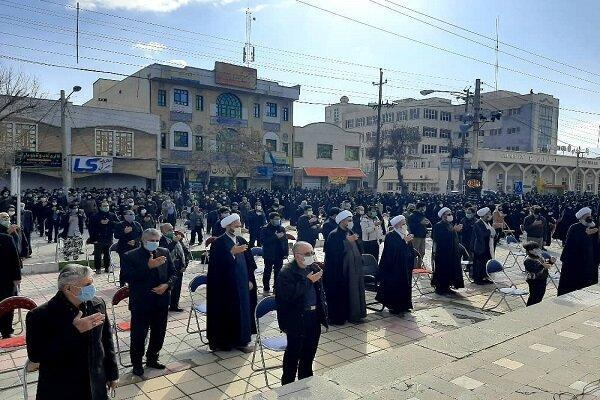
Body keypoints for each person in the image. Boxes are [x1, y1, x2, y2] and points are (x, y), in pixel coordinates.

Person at [26, 264, 119, 399]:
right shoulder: (40, 315)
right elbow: (36, 355)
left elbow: (106, 340)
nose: (91, 288)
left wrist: (112, 373)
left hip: (95, 383)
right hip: (62, 387)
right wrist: (73, 331)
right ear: (68, 288)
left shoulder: (97, 304)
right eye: (87, 285)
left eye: (92, 282)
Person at [121, 229, 176, 377]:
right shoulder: (130, 256)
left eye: (157, 240)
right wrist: (148, 267)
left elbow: (173, 273)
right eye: (152, 240)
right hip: (141, 302)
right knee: (139, 335)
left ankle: (153, 358)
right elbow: (127, 277)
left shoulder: (164, 251)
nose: (155, 243)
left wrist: (166, 285)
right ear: (143, 240)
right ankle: (137, 363)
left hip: (161, 300)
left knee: (159, 332)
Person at [276, 241, 328, 385]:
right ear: (296, 255)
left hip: (313, 317)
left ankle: (305, 383)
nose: (311, 256)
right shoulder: (286, 272)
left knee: (309, 354)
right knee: (293, 355)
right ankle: (287, 386)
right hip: (296, 319)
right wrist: (308, 281)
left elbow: (320, 292)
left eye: (312, 253)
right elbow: (289, 296)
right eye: (307, 254)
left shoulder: (313, 267)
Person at [206, 214, 257, 351]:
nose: (239, 228)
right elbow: (216, 267)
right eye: (236, 226)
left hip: (242, 284)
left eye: (240, 225)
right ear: (228, 226)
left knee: (243, 312)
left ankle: (243, 341)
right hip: (226, 287)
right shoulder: (219, 243)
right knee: (229, 313)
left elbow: (250, 263)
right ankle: (227, 342)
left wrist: (250, 279)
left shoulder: (240, 240)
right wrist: (231, 254)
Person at [323, 210, 366, 325]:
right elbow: (333, 253)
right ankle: (337, 318)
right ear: (342, 221)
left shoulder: (350, 231)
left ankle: (352, 315)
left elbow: (358, 246)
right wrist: (346, 242)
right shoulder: (334, 234)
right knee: (338, 294)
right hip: (338, 271)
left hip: (352, 269)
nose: (351, 222)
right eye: (349, 220)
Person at [376, 215, 415, 313]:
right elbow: (393, 250)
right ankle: (394, 306)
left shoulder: (405, 233)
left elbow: (408, 248)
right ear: (397, 224)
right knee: (396, 285)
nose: (405, 224)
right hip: (394, 266)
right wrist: (404, 242)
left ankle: (405, 305)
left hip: (405, 264)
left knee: (406, 284)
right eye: (403, 222)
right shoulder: (391, 235)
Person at [557, 207, 600, 296]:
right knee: (571, 286)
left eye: (590, 216)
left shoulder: (594, 228)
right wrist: (586, 234)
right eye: (587, 216)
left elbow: (596, 245)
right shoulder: (574, 227)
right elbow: (573, 243)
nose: (589, 218)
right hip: (574, 262)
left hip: (589, 262)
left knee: (587, 286)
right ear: (582, 218)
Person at [431, 207, 465, 295]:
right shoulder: (438, 225)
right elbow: (439, 238)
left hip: (451, 251)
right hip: (442, 252)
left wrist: (456, 231)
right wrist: (454, 230)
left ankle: (447, 286)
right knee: (442, 270)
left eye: (451, 214)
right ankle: (440, 288)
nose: (450, 216)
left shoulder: (449, 224)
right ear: (443, 216)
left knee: (450, 270)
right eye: (448, 214)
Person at [159, 224, 190, 312]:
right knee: (168, 287)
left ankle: (174, 306)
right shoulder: (161, 240)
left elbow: (185, 252)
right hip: (167, 267)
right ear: (162, 231)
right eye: (168, 230)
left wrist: (185, 264)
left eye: (172, 229)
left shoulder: (177, 239)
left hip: (179, 266)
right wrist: (174, 242)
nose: (171, 231)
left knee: (177, 287)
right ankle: (164, 306)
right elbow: (165, 252)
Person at [260, 212, 289, 293]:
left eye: (279, 219)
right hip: (269, 254)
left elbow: (285, 241)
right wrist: (275, 237)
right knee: (267, 271)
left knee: (278, 272)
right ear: (271, 220)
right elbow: (263, 241)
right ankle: (266, 287)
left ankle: (276, 287)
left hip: (279, 254)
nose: (278, 220)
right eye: (276, 219)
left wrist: (286, 253)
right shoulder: (265, 229)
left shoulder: (281, 228)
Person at [0, 231, 21, 338]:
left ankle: (7, 331)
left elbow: (15, 259)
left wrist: (17, 277)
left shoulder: (6, 239)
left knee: (8, 304)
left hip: (6, 280)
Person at [114, 210, 143, 286]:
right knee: (124, 267)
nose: (132, 215)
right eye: (130, 214)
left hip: (136, 248)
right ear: (125, 216)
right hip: (124, 248)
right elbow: (116, 235)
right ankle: (122, 284)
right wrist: (124, 232)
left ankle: (135, 282)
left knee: (136, 266)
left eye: (133, 214)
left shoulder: (137, 224)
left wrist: (135, 241)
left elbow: (141, 235)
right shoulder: (119, 225)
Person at [88, 201, 118, 274]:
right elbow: (91, 228)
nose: (106, 207)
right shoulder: (95, 216)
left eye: (107, 205)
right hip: (98, 238)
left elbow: (118, 224)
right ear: (100, 207)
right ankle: (98, 268)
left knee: (107, 254)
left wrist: (110, 222)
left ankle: (107, 267)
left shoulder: (112, 215)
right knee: (97, 254)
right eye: (104, 206)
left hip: (108, 237)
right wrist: (93, 238)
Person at [523, 241, 552, 306]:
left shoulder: (539, 257)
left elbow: (546, 266)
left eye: (538, 248)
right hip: (534, 280)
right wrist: (543, 266)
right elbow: (534, 269)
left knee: (540, 295)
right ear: (530, 251)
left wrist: (551, 262)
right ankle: (529, 309)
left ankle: (535, 307)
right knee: (534, 296)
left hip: (542, 279)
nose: (539, 250)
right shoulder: (528, 260)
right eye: (536, 249)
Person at [471, 207, 495, 285]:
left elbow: (491, 234)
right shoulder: (477, 223)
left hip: (488, 246)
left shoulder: (487, 223)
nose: (490, 215)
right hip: (480, 247)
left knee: (485, 263)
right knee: (479, 264)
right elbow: (481, 234)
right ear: (484, 215)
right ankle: (478, 279)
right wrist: (491, 230)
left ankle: (484, 277)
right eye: (489, 214)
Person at [407, 202, 430, 268]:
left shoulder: (422, 215)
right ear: (420, 208)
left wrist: (426, 224)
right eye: (423, 207)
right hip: (416, 236)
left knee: (422, 252)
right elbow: (411, 226)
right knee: (415, 251)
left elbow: (424, 223)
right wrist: (420, 223)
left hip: (422, 235)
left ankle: (419, 265)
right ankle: (414, 265)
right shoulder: (412, 216)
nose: (424, 209)